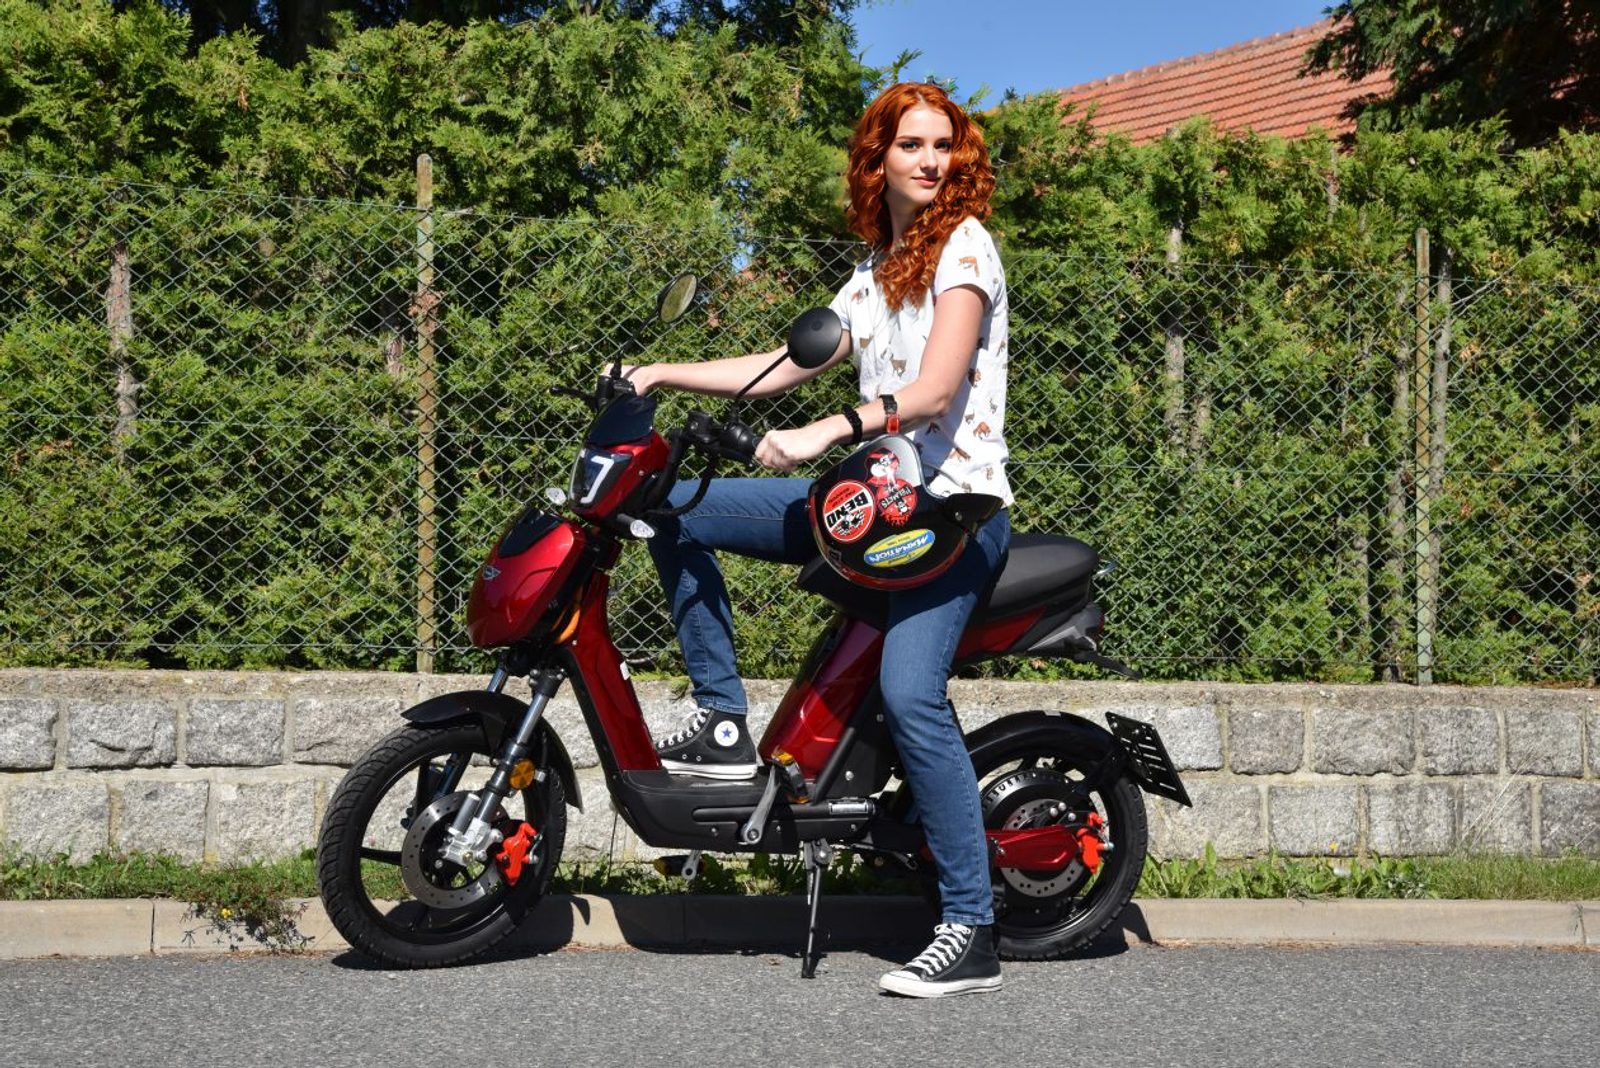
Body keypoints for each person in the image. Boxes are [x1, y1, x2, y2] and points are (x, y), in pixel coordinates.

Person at [618, 82, 1012, 999]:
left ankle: (971, 927)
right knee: (672, 507)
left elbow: (935, 391)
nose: (929, 160)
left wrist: (828, 429)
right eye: (909, 145)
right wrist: (658, 373)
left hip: (950, 517)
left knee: (910, 697)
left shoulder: (965, 246)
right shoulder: (874, 274)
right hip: (873, 508)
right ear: (877, 159)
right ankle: (723, 719)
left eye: (942, 145)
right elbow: (780, 369)